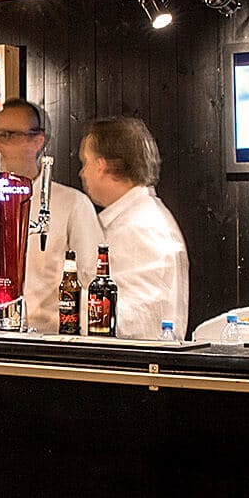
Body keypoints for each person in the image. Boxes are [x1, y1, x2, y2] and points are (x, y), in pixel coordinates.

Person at [0, 100, 102, 333]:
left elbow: (90, 277)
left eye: (10, 135)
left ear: (38, 141)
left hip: (49, 342)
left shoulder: (71, 203)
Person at [79, 116, 189, 341]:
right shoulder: (133, 219)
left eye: (86, 162)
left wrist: (65, 305)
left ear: (102, 166)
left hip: (134, 368)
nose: (83, 173)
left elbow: (141, 320)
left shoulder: (140, 227)